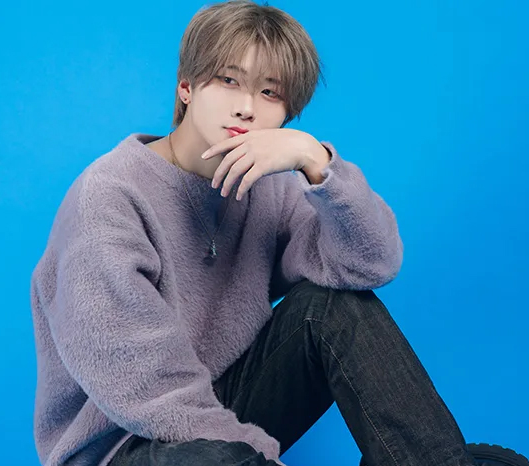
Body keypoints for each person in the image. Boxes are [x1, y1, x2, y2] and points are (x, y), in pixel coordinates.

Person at [30, 1, 478, 465]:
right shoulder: (108, 197)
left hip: (222, 410)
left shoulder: (270, 189)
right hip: (124, 441)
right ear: (187, 86)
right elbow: (146, 387)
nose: (246, 108)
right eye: (228, 80)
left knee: (336, 306)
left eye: (269, 92)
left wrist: (316, 161)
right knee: (215, 460)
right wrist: (260, 457)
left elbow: (370, 263)